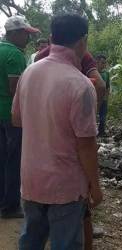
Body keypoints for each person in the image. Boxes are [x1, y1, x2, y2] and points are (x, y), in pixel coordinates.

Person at [12, 13, 103, 249]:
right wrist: (95, 185)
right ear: (82, 41)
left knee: (30, 240)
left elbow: (17, 120)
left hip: (31, 180)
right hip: (66, 187)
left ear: (51, 38)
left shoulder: (29, 73)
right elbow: (86, 145)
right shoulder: (81, 85)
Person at [35, 35, 105, 250]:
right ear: (82, 40)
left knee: (38, 215)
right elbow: (100, 86)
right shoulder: (83, 59)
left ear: (51, 38)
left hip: (39, 150)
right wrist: (90, 114)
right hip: (69, 153)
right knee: (79, 210)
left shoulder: (38, 60)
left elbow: (19, 115)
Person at [0, 16, 39, 219]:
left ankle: (2, 201)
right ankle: (10, 206)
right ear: (14, 33)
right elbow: (16, 90)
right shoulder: (15, 55)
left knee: (2, 157)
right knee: (14, 160)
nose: (28, 39)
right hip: (11, 116)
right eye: (26, 34)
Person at [35, 43, 106, 109]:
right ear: (83, 40)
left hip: (43, 110)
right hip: (73, 110)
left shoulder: (41, 55)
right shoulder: (83, 54)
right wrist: (92, 111)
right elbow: (100, 86)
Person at [95, 54, 110, 137]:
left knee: (102, 117)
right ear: (97, 62)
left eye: (105, 63)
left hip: (103, 99)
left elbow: (108, 86)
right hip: (94, 99)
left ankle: (101, 132)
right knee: (92, 117)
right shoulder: (92, 73)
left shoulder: (106, 74)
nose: (104, 65)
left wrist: (106, 98)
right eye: (102, 63)